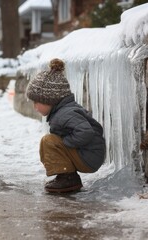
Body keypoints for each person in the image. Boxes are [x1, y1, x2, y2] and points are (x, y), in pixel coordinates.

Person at [25, 58, 106, 193]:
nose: (35, 107)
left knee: (49, 141)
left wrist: (66, 142)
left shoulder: (64, 114)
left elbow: (86, 131)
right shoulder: (62, 112)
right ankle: (68, 176)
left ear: (49, 100)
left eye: (36, 102)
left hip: (89, 156)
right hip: (88, 154)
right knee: (53, 140)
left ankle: (68, 178)